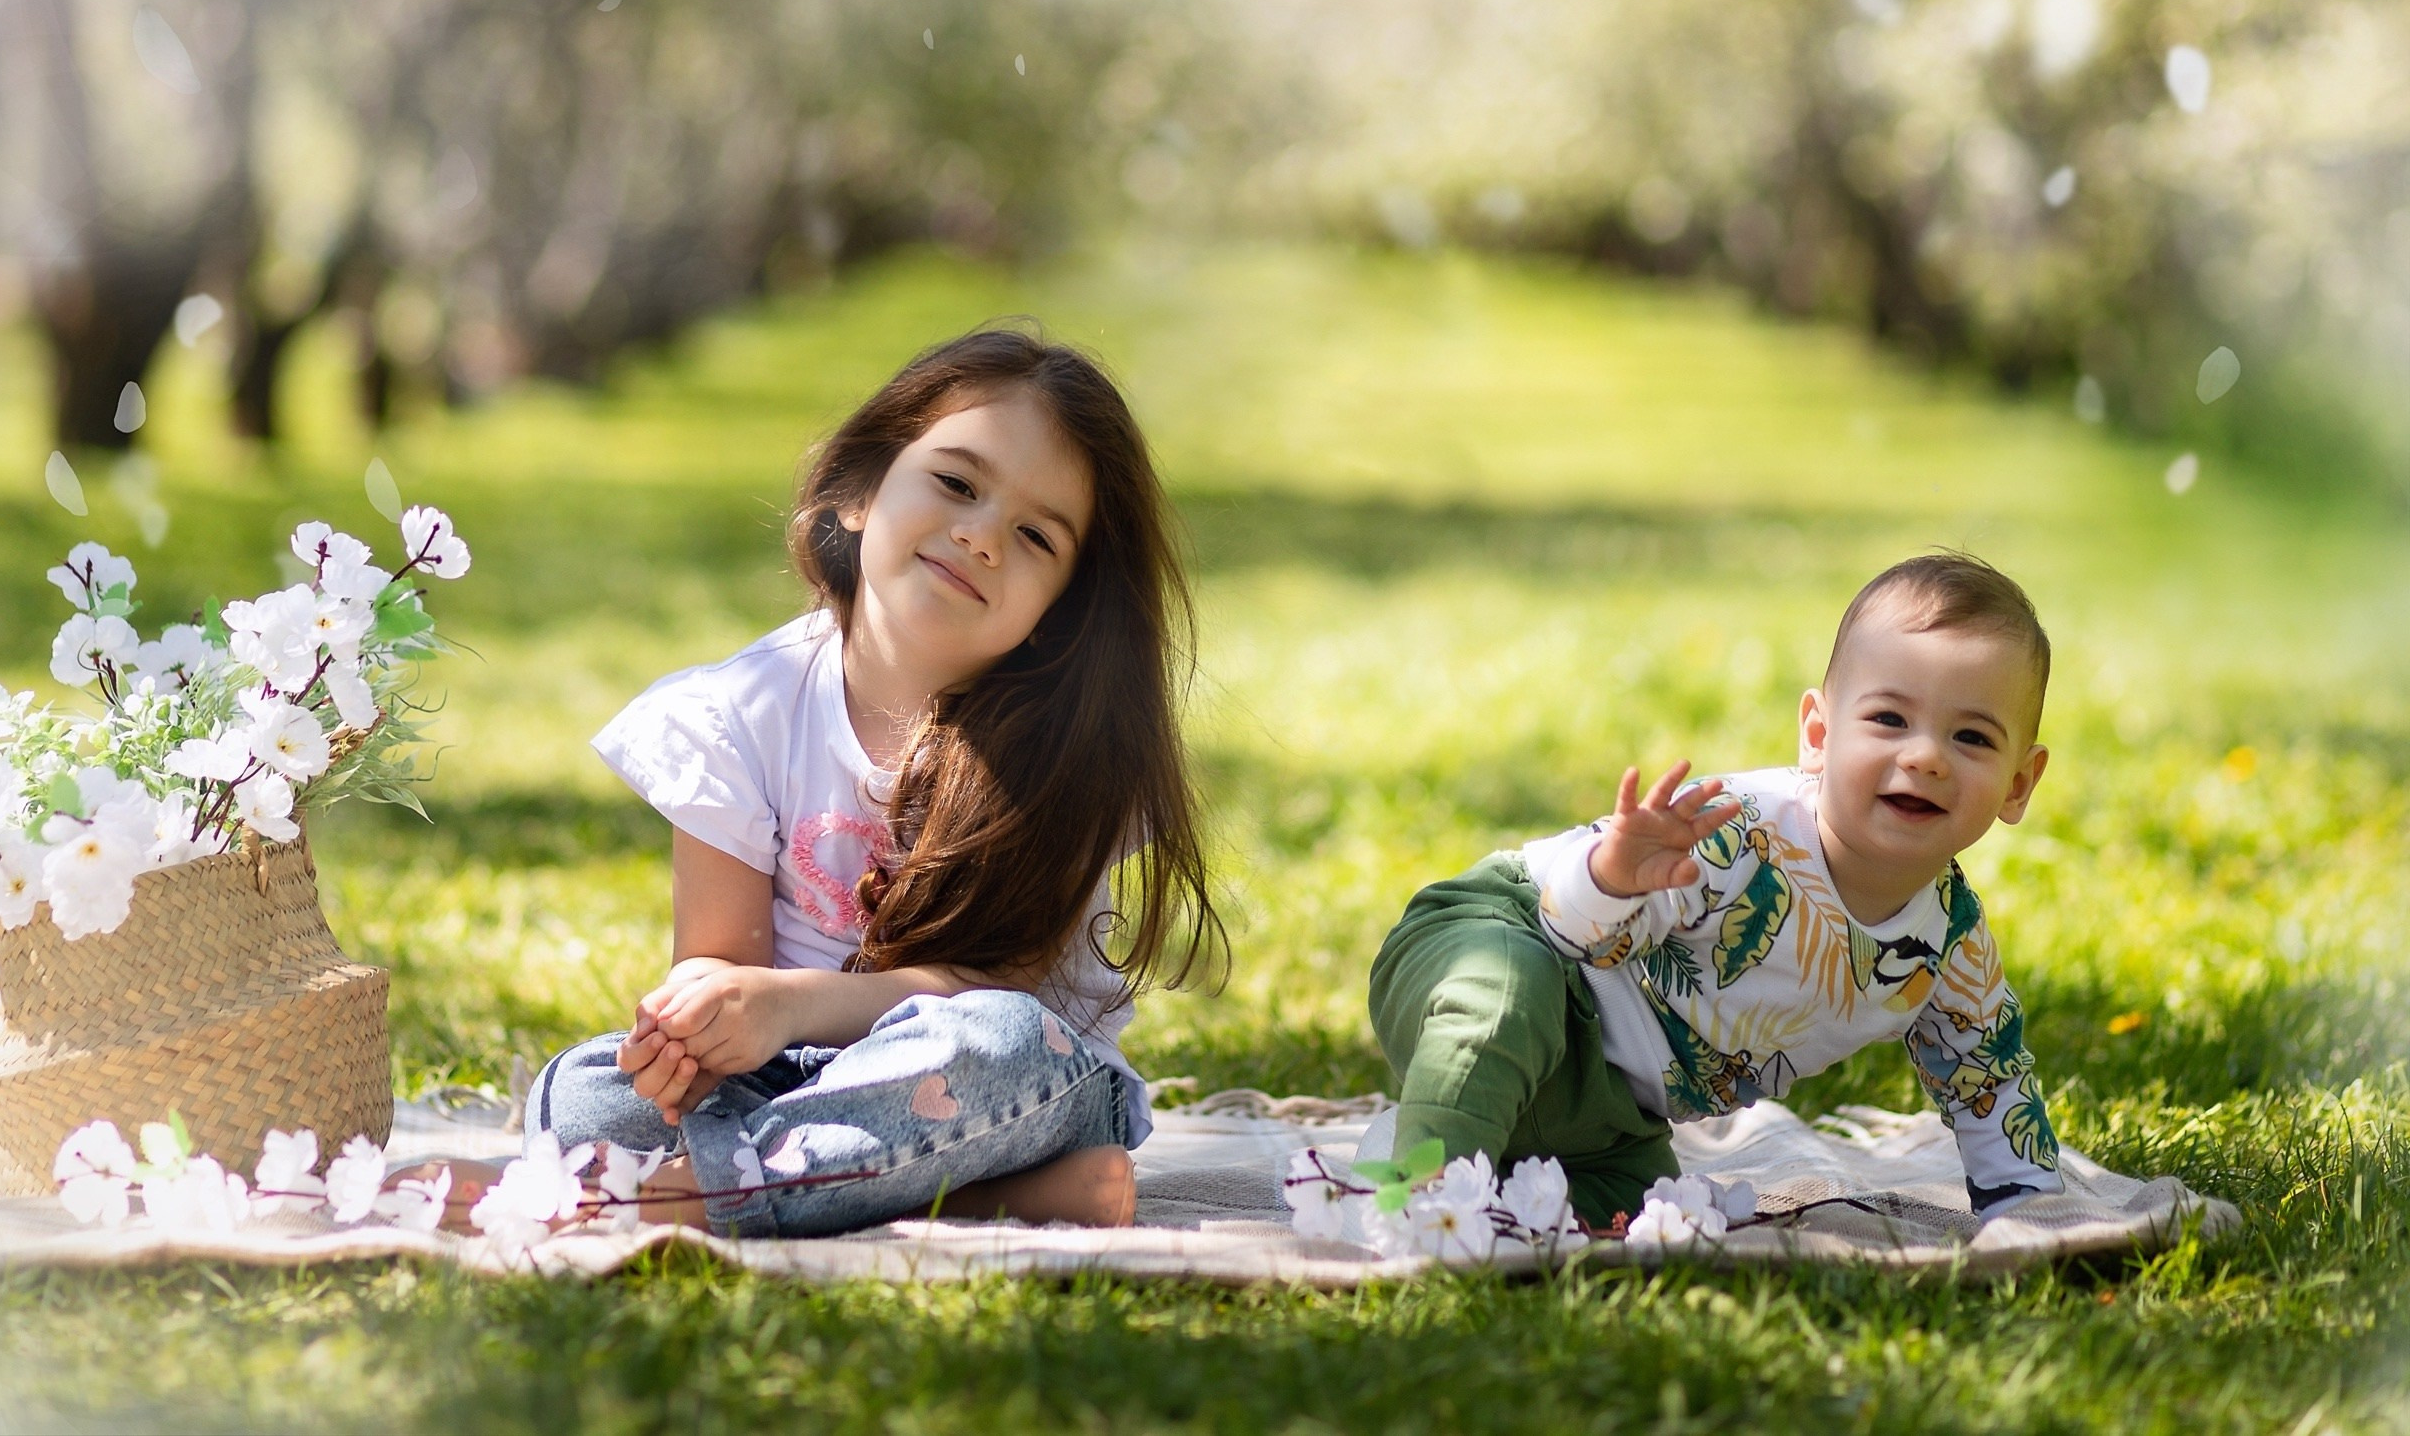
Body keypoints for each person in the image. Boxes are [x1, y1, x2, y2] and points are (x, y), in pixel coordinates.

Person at [521, 328, 1219, 1237]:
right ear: (859, 492)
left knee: (996, 1042)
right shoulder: (740, 713)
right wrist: (691, 1026)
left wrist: (797, 1007)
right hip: (780, 1080)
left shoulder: (1069, 755)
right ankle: (949, 1199)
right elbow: (719, 958)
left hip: (1013, 1093)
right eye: (957, 484)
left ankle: (715, 1192)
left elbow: (995, 990)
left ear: (1065, 608)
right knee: (584, 1089)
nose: (979, 536)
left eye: (1036, 535)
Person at [1366, 552, 2065, 1228]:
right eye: (1889, 720)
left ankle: (1475, 1180)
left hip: (1607, 1106)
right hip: (1502, 937)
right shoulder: (1743, 835)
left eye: (1971, 737)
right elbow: (1572, 933)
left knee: (1650, 1207)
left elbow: (1989, 1082)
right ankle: (1417, 1200)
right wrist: (1613, 879)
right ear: (1819, 735)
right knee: (1507, 1001)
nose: (1925, 758)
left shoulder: (1951, 945)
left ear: (2017, 783)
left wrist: (2031, 1218)